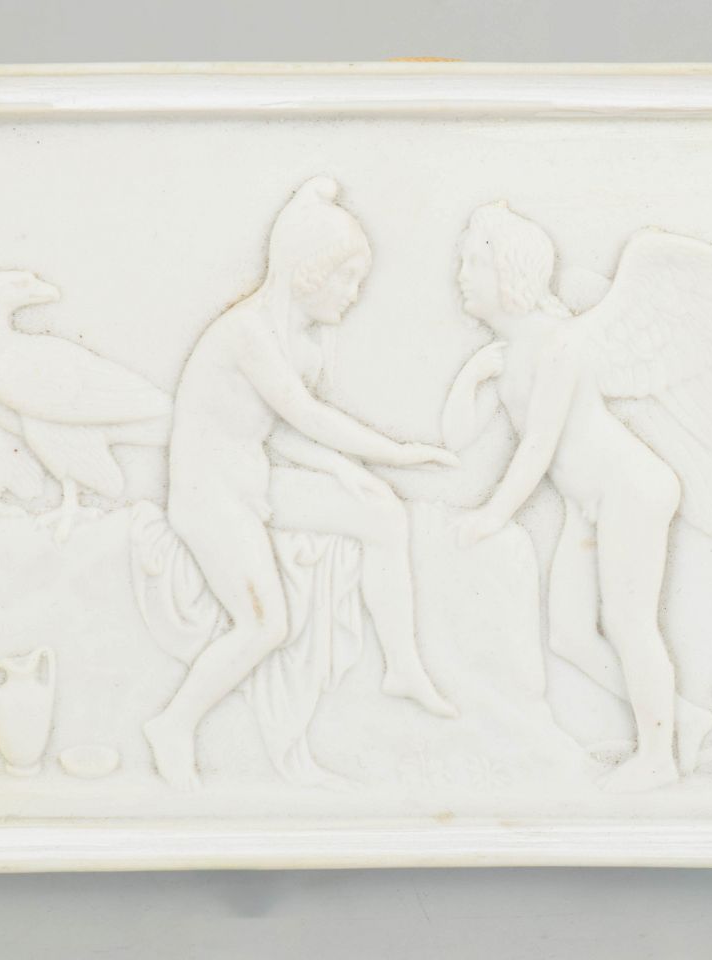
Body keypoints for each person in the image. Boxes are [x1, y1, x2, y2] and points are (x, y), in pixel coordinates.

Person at [143, 177, 457, 789]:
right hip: (210, 500)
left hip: (254, 485)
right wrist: (395, 452)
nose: (353, 295)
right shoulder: (246, 334)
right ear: (309, 271)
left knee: (383, 513)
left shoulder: (304, 349)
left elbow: (273, 430)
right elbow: (306, 416)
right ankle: (173, 724)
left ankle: (402, 667)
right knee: (266, 625)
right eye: (347, 279)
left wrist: (341, 469)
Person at [441, 202, 681, 791]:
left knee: (628, 622)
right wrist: (471, 376)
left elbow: (539, 446)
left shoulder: (560, 343)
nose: (461, 276)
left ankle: (658, 757)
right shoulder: (508, 355)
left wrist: (492, 516)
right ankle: (682, 720)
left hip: (628, 489)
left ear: (510, 273)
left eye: (473, 264)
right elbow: (457, 437)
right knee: (568, 636)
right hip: (586, 503)